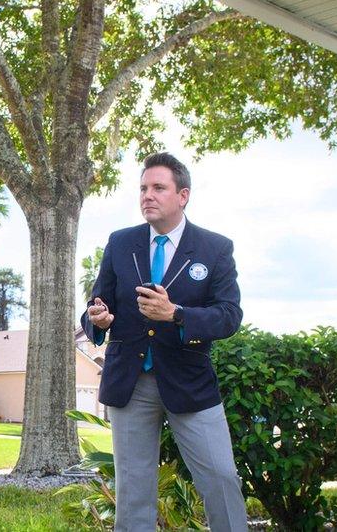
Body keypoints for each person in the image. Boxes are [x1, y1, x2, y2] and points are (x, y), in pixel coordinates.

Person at [80, 152, 247, 531]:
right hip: (130, 383)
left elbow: (229, 315)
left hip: (190, 383)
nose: (147, 195)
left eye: (158, 187)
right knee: (133, 492)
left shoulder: (214, 248)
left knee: (221, 478)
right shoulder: (120, 243)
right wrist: (98, 320)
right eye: (143, 188)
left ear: (182, 195)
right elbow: (95, 306)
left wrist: (178, 314)